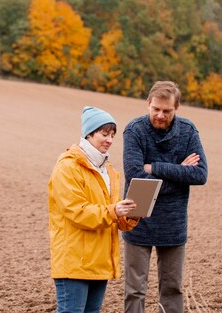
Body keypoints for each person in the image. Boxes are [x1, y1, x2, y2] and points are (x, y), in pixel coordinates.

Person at [122, 81, 208, 313]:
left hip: (173, 223)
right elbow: (134, 176)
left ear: (177, 108)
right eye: (155, 109)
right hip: (137, 219)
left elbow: (200, 175)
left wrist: (155, 168)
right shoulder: (134, 130)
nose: (160, 115)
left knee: (172, 289)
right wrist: (179, 172)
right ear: (148, 104)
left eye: (166, 111)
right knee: (135, 290)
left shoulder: (188, 131)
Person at [48, 106, 140, 313]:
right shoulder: (68, 167)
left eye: (112, 135)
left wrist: (130, 215)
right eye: (104, 134)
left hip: (99, 261)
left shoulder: (107, 169)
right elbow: (76, 211)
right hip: (75, 261)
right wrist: (114, 210)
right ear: (88, 133)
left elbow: (110, 211)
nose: (109, 139)